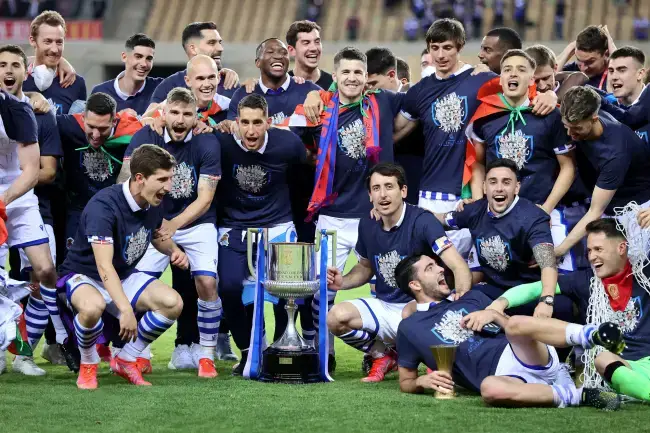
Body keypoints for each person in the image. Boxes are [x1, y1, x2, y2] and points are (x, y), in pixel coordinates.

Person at [395, 253, 622, 410]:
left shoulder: (471, 297)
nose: (441, 269)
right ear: (415, 285)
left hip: (525, 353)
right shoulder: (409, 328)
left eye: (437, 264)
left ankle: (591, 335)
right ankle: (580, 395)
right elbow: (406, 381)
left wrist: (494, 315)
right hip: (506, 378)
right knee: (489, 389)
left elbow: (514, 327)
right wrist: (421, 382)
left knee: (513, 324)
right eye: (430, 268)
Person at [293, 46, 405, 365]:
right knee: (322, 289)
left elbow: (417, 101)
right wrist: (313, 95)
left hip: (375, 215)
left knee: (384, 286)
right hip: (332, 215)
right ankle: (325, 352)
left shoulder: (383, 102)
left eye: (358, 72)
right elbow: (293, 141)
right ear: (336, 75)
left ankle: (382, 352)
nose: (352, 78)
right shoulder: (318, 109)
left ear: (366, 77)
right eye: (346, 72)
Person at [325, 163, 471, 382]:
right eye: (376, 188)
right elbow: (365, 268)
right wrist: (342, 282)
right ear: (370, 195)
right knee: (336, 317)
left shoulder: (423, 221)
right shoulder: (367, 224)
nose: (383, 195)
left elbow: (458, 265)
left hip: (422, 311)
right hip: (386, 306)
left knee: (411, 314)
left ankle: (431, 357)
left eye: (389, 187)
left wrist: (461, 301)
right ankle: (383, 356)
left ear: (403, 191)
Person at [59, 144, 186, 389]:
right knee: (92, 307)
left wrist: (173, 250)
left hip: (123, 274)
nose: (168, 187)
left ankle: (126, 359)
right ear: (139, 178)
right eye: (162, 179)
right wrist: (125, 309)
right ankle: (88, 362)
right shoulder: (103, 207)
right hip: (86, 275)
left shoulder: (153, 200)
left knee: (172, 303)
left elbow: (155, 234)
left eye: (170, 179)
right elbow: (103, 265)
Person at [118, 88, 222, 377]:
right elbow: (125, 183)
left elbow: (205, 198)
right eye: (174, 112)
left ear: (196, 117)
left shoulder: (207, 142)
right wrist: (153, 221)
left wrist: (173, 225)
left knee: (207, 282)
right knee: (138, 287)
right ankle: (138, 353)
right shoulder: (145, 137)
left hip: (197, 223)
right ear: (162, 113)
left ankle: (207, 354)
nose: (180, 119)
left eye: (187, 114)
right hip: (154, 223)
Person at [491, 218, 650, 403]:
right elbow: (535, 288)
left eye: (598, 249)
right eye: (589, 251)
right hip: (622, 367)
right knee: (602, 359)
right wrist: (499, 303)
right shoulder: (584, 281)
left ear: (621, 248)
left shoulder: (644, 274)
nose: (592, 257)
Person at [215, 94, 307, 375]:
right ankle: (248, 352)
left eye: (257, 123)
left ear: (268, 122)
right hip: (234, 227)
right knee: (229, 288)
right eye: (245, 123)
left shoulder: (288, 144)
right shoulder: (221, 142)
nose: (251, 130)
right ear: (236, 122)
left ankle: (279, 350)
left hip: (278, 225)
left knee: (286, 293)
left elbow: (301, 182)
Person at [468, 49, 576, 273]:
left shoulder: (550, 115)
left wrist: (545, 210)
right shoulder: (485, 116)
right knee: (482, 275)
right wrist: (480, 205)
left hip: (543, 210)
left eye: (521, 69)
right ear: (500, 78)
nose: (513, 74)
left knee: (557, 275)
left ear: (531, 79)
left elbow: (567, 167)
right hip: (497, 213)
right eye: (507, 70)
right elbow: (477, 164)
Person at [0, 44, 65, 375]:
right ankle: (4, 347)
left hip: (21, 198)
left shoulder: (34, 112)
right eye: (2, 65)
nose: (8, 70)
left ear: (26, 71)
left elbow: (34, 172)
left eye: (15, 65)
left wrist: (4, 200)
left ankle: (26, 354)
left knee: (45, 270)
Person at [434, 159, 562, 319]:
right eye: (493, 182)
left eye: (506, 182)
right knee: (461, 307)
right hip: (493, 291)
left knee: (563, 307)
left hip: (527, 294)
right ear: (484, 187)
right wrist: (410, 211)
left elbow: (548, 264)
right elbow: (440, 219)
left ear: (517, 187)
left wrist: (546, 300)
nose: (499, 188)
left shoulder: (533, 217)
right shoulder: (475, 210)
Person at [554, 87, 650, 261]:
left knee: (631, 268)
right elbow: (577, 81)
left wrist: (559, 250)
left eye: (576, 128)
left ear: (594, 119)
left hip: (635, 212)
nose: (570, 134)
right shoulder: (588, 105)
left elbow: (595, 212)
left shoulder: (615, 153)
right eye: (566, 127)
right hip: (607, 202)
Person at [57, 93, 143, 253]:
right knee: (72, 261)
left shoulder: (133, 133)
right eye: (91, 127)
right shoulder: (69, 126)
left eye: (103, 129)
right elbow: (34, 119)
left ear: (114, 121)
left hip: (112, 211)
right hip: (77, 209)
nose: (96, 135)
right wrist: (35, 97)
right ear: (83, 118)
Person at [226, 38, 322, 125]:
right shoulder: (242, 95)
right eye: (270, 52)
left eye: (283, 53)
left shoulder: (310, 91)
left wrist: (318, 94)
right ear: (258, 62)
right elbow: (234, 131)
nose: (278, 56)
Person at [147, 21, 239, 111]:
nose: (220, 48)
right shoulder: (170, 85)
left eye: (220, 42)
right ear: (193, 49)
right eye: (211, 43)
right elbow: (149, 118)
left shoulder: (230, 82)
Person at [23, 10, 87, 115]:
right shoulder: (16, 80)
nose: (54, 49)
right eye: (48, 41)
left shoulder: (76, 83)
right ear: (33, 41)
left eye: (59, 42)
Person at [91, 33, 163, 116]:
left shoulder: (161, 87)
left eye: (149, 58)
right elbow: (92, 122)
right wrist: (118, 118)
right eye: (138, 57)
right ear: (124, 57)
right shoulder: (100, 92)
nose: (144, 64)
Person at [557, 25, 615, 91]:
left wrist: (613, 50)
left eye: (589, 62)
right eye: (578, 60)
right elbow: (550, 77)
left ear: (606, 54)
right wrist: (569, 49)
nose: (583, 68)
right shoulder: (571, 71)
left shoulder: (613, 75)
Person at [286, 20, 333, 90]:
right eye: (306, 43)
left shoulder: (334, 86)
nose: (314, 48)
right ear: (292, 50)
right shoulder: (282, 86)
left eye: (317, 42)